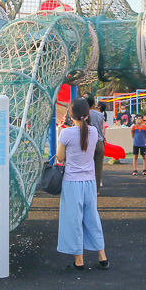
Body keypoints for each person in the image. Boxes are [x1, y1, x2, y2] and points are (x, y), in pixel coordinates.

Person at [56, 97, 109, 271]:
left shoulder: (66, 133)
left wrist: (59, 134)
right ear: (87, 113)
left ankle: (79, 260)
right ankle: (102, 257)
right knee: (92, 217)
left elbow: (60, 157)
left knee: (73, 219)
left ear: (71, 115)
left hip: (72, 182)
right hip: (90, 181)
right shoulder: (93, 132)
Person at [86, 95, 106, 191]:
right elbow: (103, 129)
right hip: (99, 141)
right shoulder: (100, 115)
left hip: (88, 142)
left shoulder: (85, 114)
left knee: (87, 165)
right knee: (98, 167)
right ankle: (96, 189)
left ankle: (87, 188)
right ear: (93, 104)